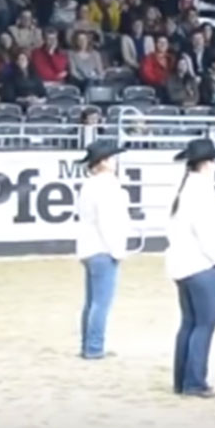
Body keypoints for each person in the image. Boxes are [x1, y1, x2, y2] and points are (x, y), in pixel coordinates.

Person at [165, 138, 215, 398]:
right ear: (206, 164)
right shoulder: (203, 193)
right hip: (203, 265)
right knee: (204, 324)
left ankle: (182, 378)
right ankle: (195, 381)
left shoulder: (184, 190)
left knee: (189, 323)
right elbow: (210, 235)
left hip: (183, 264)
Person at [74, 140, 131, 360]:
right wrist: (117, 250)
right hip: (103, 247)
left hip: (89, 246)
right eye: (111, 158)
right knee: (101, 302)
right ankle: (95, 347)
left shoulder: (90, 185)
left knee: (92, 301)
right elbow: (108, 221)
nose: (115, 161)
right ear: (104, 162)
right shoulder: (107, 186)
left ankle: (88, 344)